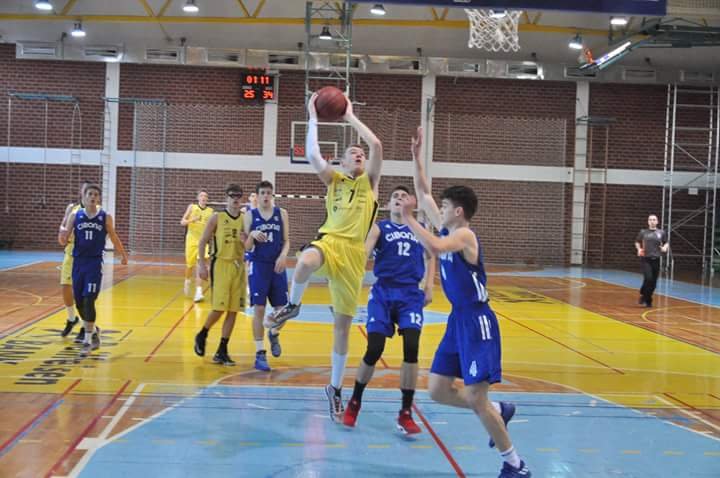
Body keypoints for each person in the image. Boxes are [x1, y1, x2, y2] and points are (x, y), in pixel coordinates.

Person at [401, 127, 531, 478]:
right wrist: (416, 157)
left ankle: (515, 464)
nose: (438, 210)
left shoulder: (463, 235)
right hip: (458, 319)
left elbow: (435, 246)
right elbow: (423, 192)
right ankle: (498, 410)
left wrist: (409, 218)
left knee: (475, 397)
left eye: (444, 207)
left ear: (457, 211)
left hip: (478, 321)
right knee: (437, 390)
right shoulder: (448, 228)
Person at [264, 92, 383, 421]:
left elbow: (376, 145)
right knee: (305, 261)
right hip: (329, 242)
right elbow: (312, 154)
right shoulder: (334, 180)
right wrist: (313, 116)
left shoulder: (370, 184)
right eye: (352, 153)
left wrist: (350, 115)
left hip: (354, 257)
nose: (358, 154)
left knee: (342, 330)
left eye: (360, 153)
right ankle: (293, 305)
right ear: (342, 163)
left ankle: (335, 388)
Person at [342, 185, 434, 434]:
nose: (399, 199)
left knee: (412, 348)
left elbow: (431, 255)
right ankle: (355, 401)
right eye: (395, 196)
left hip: (410, 295)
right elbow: (364, 253)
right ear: (388, 204)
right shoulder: (379, 228)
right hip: (383, 292)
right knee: (374, 348)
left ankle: (406, 412)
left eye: (403, 196)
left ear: (411, 203)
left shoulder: (420, 229)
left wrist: (429, 285)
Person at [59, 184, 128, 357]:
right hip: (78, 263)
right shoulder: (75, 215)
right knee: (80, 302)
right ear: (84, 196)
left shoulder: (105, 217)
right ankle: (94, 331)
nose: (92, 197)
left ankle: (88, 341)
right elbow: (64, 239)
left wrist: (123, 255)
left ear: (99, 198)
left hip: (94, 264)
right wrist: (62, 235)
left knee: (89, 300)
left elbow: (114, 237)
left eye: (96, 194)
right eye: (90, 194)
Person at [193, 184, 247, 366]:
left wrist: (247, 241)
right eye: (232, 196)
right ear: (226, 198)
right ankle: (203, 333)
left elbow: (250, 245)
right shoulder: (217, 217)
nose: (235, 199)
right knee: (219, 308)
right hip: (221, 264)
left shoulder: (245, 220)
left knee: (234, 310)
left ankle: (222, 350)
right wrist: (202, 265)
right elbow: (202, 241)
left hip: (238, 266)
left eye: (238, 196)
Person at [243, 180, 290, 372]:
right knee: (259, 310)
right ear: (257, 195)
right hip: (259, 266)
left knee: (284, 310)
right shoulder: (250, 215)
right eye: (262, 193)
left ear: (272, 195)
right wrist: (252, 235)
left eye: (268, 193)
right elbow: (246, 247)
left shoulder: (282, 213)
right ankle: (260, 353)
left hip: (277, 266)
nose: (265, 196)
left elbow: (287, 241)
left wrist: (283, 256)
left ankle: (274, 332)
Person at [58, 181, 90, 339]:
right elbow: (63, 225)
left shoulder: (95, 211)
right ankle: (72, 319)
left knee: (82, 293)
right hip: (70, 251)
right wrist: (62, 234)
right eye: (84, 190)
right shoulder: (72, 208)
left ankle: (86, 325)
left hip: (86, 255)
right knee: (65, 286)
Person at [181, 189, 214, 302]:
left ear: (207, 199)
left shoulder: (210, 211)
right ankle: (187, 280)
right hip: (191, 240)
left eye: (206, 196)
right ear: (198, 198)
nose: (204, 198)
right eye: (201, 196)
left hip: (203, 241)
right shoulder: (192, 207)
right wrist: (192, 219)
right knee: (189, 265)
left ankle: (198, 292)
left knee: (201, 264)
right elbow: (182, 222)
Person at [635, 214, 668, 307]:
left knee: (653, 283)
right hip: (646, 259)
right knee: (648, 278)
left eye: (654, 220)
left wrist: (665, 248)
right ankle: (644, 294)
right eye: (650, 220)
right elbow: (637, 242)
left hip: (656, 259)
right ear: (648, 222)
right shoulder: (643, 232)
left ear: (657, 221)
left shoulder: (661, 232)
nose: (652, 221)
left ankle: (647, 299)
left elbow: (666, 242)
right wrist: (639, 249)